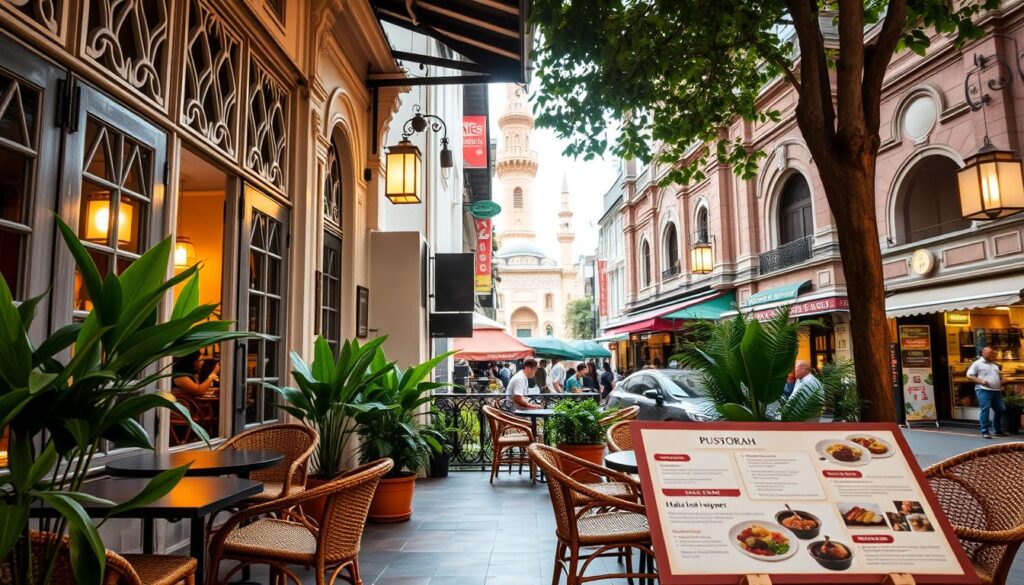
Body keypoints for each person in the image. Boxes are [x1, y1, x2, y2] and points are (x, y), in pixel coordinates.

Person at [967, 346, 1007, 439]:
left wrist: (1001, 382)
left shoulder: (995, 365)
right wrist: (980, 381)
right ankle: (985, 431)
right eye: (989, 353)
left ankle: (998, 430)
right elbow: (969, 375)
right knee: (985, 409)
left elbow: (998, 377)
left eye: (992, 353)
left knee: (1000, 409)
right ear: (983, 353)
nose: (991, 354)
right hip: (983, 390)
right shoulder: (977, 363)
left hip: (996, 391)